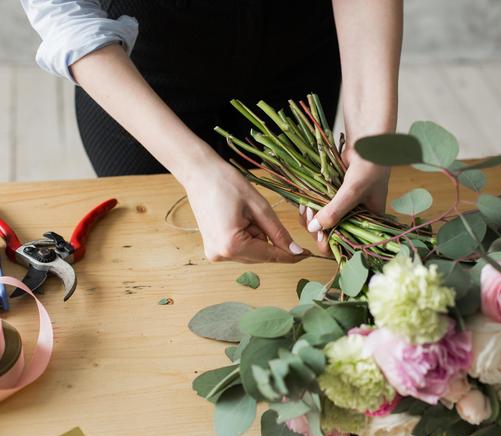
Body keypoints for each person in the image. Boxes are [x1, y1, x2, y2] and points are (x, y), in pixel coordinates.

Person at [21, 0, 403, 264]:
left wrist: (371, 136)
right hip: (140, 67)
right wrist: (195, 168)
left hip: (299, 46)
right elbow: (64, 14)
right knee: (158, 250)